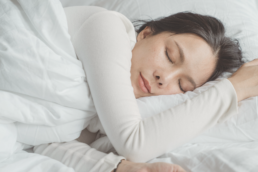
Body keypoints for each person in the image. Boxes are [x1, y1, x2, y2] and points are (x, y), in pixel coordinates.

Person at [33, 6, 258, 172]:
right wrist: (235, 89)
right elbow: (135, 144)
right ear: (146, 34)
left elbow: (43, 144)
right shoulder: (106, 26)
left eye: (182, 85)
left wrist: (122, 167)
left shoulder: (95, 115)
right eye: (169, 55)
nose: (164, 78)